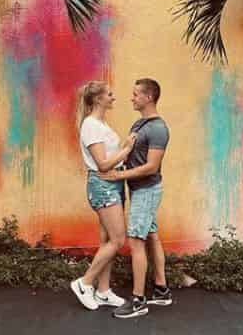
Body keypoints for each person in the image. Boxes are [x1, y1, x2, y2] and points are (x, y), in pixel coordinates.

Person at [100, 78, 172, 319]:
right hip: (138, 190)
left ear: (149, 97)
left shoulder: (158, 128)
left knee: (136, 241)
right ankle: (162, 290)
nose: (131, 98)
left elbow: (151, 167)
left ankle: (138, 300)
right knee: (151, 235)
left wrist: (118, 175)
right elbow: (127, 152)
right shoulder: (140, 123)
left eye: (136, 94)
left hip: (147, 191)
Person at [70, 80, 136, 310]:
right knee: (118, 240)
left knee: (107, 241)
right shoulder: (91, 125)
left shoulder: (101, 124)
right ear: (98, 99)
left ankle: (103, 291)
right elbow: (102, 164)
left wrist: (124, 152)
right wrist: (126, 149)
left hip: (114, 183)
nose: (113, 97)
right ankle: (84, 283)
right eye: (109, 94)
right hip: (103, 185)